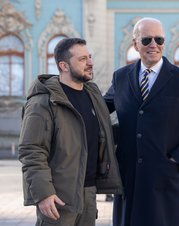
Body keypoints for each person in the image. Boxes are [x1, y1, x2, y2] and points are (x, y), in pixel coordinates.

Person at [104, 17, 179, 226]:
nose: (153, 44)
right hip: (129, 180)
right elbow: (98, 110)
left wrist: (177, 160)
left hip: (166, 182)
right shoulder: (121, 77)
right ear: (135, 44)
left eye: (159, 39)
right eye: (146, 40)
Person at [18, 38, 122, 226]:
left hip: (88, 195)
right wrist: (43, 194)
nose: (91, 62)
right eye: (82, 59)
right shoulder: (42, 102)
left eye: (89, 57)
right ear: (64, 65)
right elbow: (31, 150)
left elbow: (100, 135)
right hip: (57, 199)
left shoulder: (93, 95)